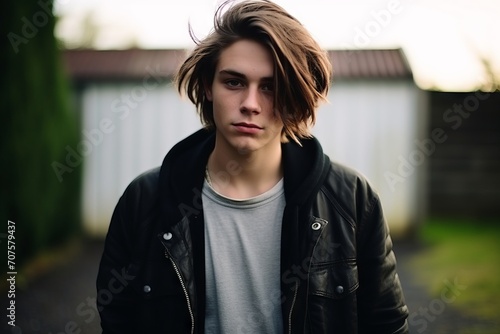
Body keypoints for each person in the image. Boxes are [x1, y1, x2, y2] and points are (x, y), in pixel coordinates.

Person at [96, 0, 409, 333]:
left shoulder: (351, 200)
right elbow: (118, 318)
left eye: (271, 87)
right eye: (234, 82)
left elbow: (387, 323)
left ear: (295, 95)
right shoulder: (146, 200)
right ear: (207, 86)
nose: (250, 104)